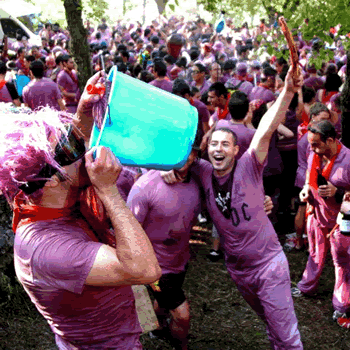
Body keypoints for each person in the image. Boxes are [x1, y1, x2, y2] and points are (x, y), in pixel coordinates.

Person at [0, 72, 161, 349]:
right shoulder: (46, 250)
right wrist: (108, 190)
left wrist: (84, 109)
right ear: (51, 179)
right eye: (75, 146)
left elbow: (58, 157)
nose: (86, 147)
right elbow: (145, 269)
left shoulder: (35, 191)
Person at [162, 67, 304, 349]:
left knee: (287, 336)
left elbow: (265, 130)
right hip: (238, 271)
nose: (218, 149)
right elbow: (179, 153)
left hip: (268, 266)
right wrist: (166, 170)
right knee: (272, 324)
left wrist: (287, 91)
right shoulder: (202, 171)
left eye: (225, 144)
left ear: (236, 150)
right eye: (214, 143)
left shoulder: (249, 165)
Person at [127, 136, 203, 350]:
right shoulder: (145, 187)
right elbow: (128, 232)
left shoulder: (196, 180)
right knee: (182, 314)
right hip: (157, 270)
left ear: (196, 154)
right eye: (177, 149)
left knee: (163, 302)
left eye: (189, 150)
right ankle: (181, 345)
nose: (183, 155)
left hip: (180, 261)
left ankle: (159, 328)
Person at [291, 120, 350, 327]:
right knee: (315, 253)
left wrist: (338, 192)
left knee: (341, 264)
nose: (312, 148)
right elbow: (309, 178)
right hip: (316, 213)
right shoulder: (314, 154)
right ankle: (307, 286)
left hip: (340, 224)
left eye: (316, 144)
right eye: (310, 143)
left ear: (331, 141)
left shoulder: (348, 159)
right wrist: (306, 190)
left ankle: (341, 305)